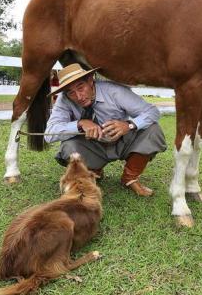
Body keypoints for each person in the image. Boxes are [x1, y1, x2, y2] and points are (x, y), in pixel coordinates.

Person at [45, 63, 167, 197]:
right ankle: (93, 172)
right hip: (93, 147)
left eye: (81, 88)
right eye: (71, 93)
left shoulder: (114, 91)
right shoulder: (64, 100)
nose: (79, 97)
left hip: (123, 142)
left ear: (91, 80)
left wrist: (129, 125)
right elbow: (49, 134)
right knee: (69, 146)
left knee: (153, 130)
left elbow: (152, 111)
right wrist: (80, 123)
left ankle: (129, 178)